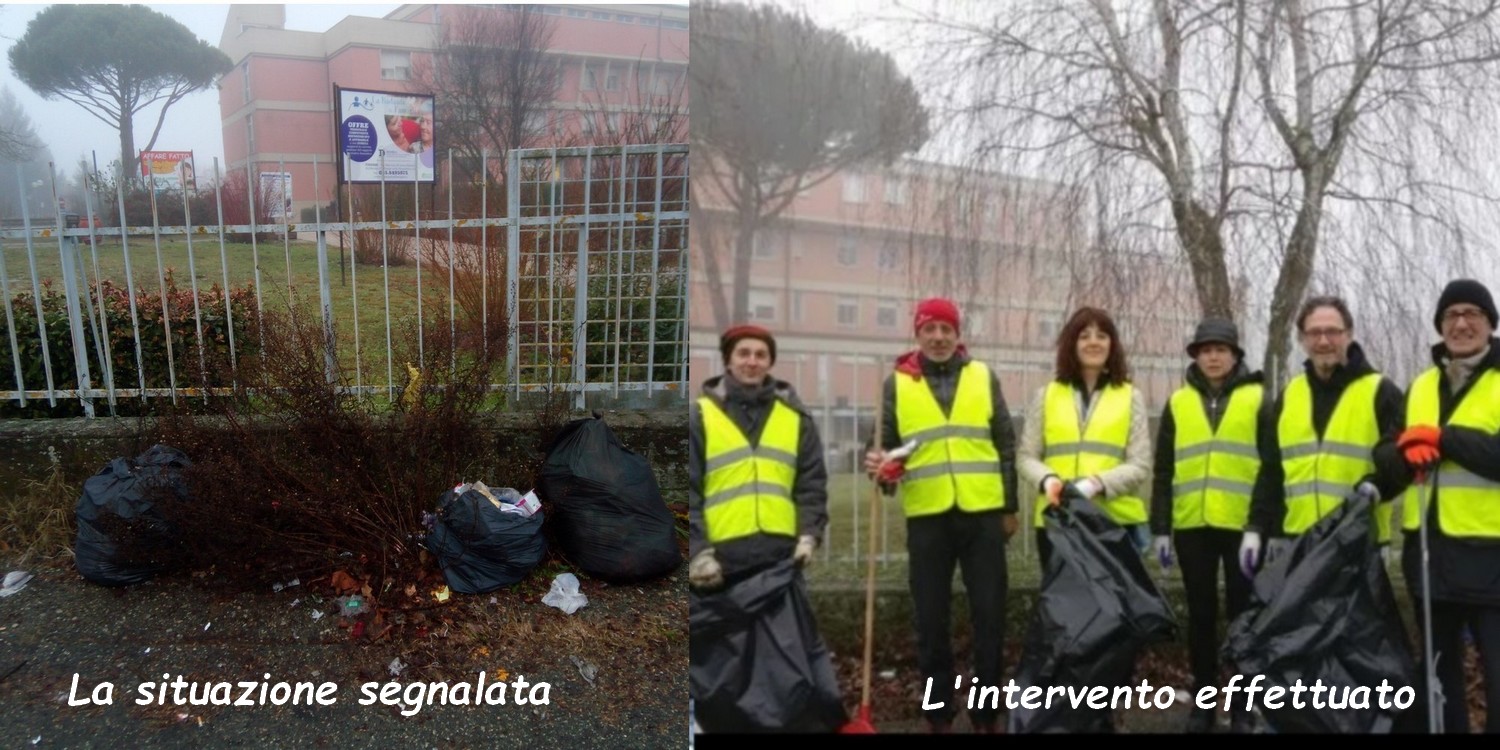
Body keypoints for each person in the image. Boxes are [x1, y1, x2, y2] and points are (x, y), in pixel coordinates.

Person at [860, 297, 1019, 734]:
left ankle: (987, 715)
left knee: (990, 617)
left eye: (946, 329)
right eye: (930, 329)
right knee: (930, 622)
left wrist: (1009, 507)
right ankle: (938, 715)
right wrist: (881, 470)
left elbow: (1006, 443)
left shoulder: (983, 376)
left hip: (983, 515)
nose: (938, 337)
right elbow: (883, 449)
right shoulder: (897, 385)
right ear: (918, 333)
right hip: (928, 517)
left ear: (957, 333)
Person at [1376, 278, 1500, 733]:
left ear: (1490, 324)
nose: (1462, 323)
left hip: (1492, 560)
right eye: (1451, 315)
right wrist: (1403, 454)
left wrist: (1444, 439)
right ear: (1440, 326)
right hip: (1431, 559)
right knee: (1438, 681)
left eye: (1473, 314)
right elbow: (1386, 453)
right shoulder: (1421, 386)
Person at [1149, 318, 1268, 734]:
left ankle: (1242, 705)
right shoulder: (1179, 403)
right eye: (1206, 349)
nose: (1213, 356)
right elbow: (1163, 470)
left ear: (1235, 355)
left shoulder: (1259, 399)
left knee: (1243, 618)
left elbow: (1270, 469)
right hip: (1193, 526)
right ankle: (1203, 702)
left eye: (1221, 349)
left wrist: (1258, 524)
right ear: (1196, 356)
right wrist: (1160, 528)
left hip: (1241, 529)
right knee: (1201, 617)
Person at [1241, 296, 1405, 578]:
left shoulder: (1381, 391)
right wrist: (1257, 529)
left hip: (1358, 542)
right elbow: (1271, 471)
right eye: (1314, 333)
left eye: (1332, 332)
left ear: (1349, 334)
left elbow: (1401, 464)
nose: (1324, 341)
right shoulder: (1291, 394)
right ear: (1303, 339)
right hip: (1299, 542)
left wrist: (1376, 489)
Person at [688, 324, 828, 588]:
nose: (752, 362)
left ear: (769, 362)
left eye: (761, 355)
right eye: (743, 353)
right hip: (720, 560)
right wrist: (699, 552)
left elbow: (811, 483)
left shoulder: (795, 418)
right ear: (728, 360)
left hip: (782, 556)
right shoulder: (701, 417)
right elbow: (691, 488)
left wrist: (809, 534)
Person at [1018, 305, 1152, 568]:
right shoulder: (1046, 395)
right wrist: (1048, 480)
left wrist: (1096, 484)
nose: (1094, 342)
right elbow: (1026, 457)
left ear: (1112, 345)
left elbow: (1140, 464)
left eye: (1102, 336)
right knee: (1065, 606)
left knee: (1117, 607)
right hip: (1057, 519)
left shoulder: (1130, 396)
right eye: (1084, 335)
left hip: (1115, 522)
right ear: (1072, 344)